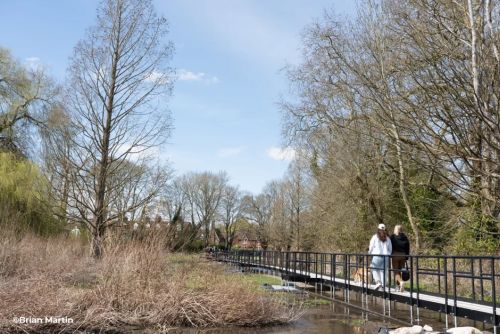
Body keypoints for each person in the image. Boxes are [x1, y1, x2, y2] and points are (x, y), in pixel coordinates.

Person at [369, 223, 392, 290]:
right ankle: (384, 286)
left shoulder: (375, 237)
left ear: (378, 229)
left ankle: (378, 282)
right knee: (383, 271)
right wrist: (388, 254)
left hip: (377, 256)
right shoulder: (388, 238)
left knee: (374, 268)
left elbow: (371, 246)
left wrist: (369, 253)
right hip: (386, 257)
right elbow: (390, 249)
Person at [390, 225, 410, 292]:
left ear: (395, 229)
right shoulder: (405, 237)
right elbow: (407, 247)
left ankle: (400, 283)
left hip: (395, 255)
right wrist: (407, 256)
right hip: (403, 255)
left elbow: (389, 245)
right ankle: (399, 287)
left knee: (396, 271)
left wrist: (390, 254)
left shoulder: (392, 237)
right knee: (401, 271)